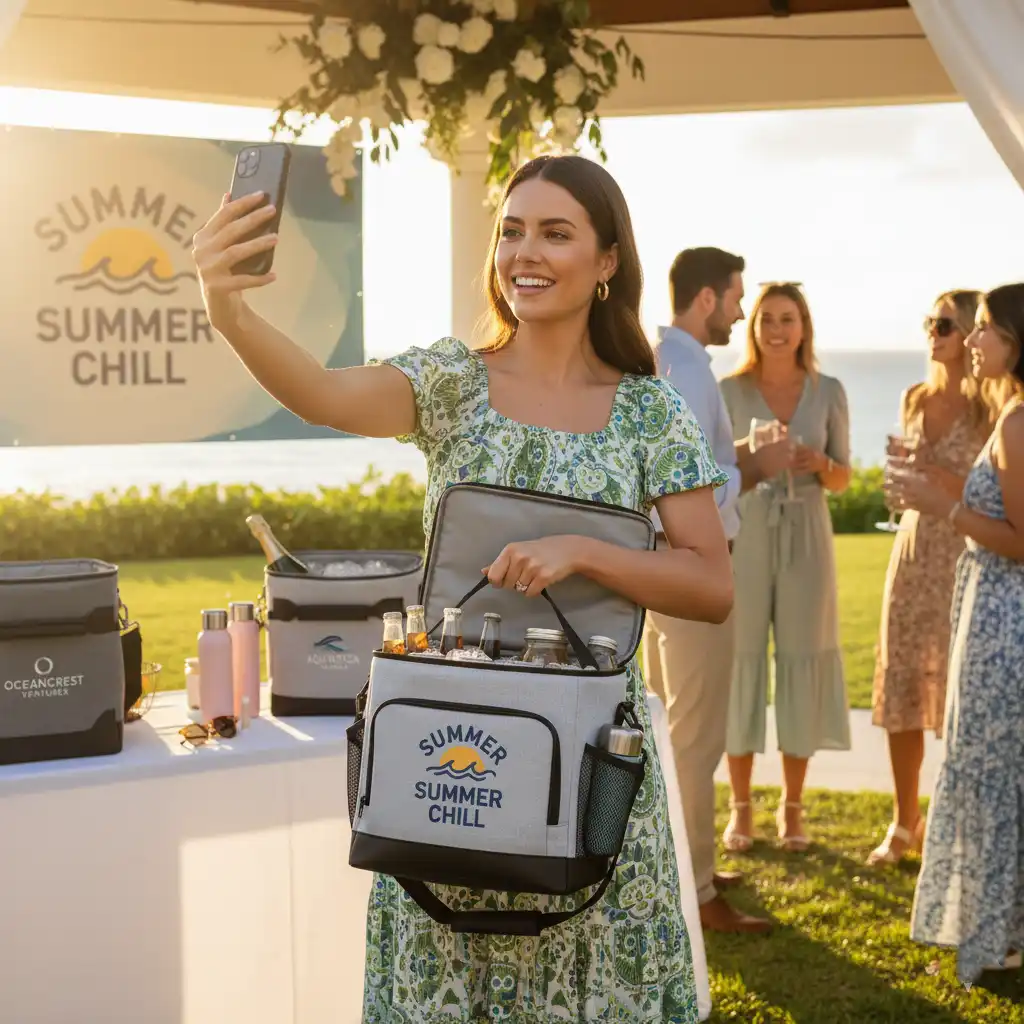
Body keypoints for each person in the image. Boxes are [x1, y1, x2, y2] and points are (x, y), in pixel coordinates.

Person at [191, 155, 734, 1022]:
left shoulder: (650, 412)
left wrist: (581, 551)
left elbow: (710, 582)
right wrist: (228, 310)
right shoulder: (452, 382)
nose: (525, 251)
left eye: (555, 233)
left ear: (606, 261)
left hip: (588, 770)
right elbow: (323, 395)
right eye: (511, 231)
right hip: (446, 764)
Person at [894, 283, 1024, 985]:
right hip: (996, 615)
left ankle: (1003, 941)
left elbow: (1022, 541)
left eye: (986, 329)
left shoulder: (1017, 423)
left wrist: (942, 505)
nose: (973, 339)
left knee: (994, 774)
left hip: (1006, 625)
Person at [644, 247, 771, 934]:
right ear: (705, 299)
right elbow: (683, 487)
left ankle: (685, 867)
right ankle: (695, 893)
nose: (741, 312)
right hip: (692, 573)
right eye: (736, 297)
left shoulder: (665, 359)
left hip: (665, 573)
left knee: (672, 732)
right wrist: (755, 466)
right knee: (695, 740)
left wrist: (736, 462)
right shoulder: (688, 370)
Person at [719, 282, 852, 853]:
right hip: (747, 532)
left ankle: (792, 808)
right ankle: (741, 808)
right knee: (742, 659)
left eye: (788, 319)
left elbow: (843, 477)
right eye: (767, 318)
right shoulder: (728, 391)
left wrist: (818, 462)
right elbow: (715, 469)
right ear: (753, 327)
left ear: (804, 327)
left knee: (803, 657)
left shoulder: (829, 390)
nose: (776, 329)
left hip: (808, 535)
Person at [868, 289, 989, 866]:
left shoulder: (994, 408)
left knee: (961, 690)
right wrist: (903, 480)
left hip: (966, 553)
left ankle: (957, 822)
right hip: (913, 553)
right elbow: (907, 477)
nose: (932, 334)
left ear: (971, 334)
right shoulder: (913, 397)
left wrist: (934, 475)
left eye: (944, 325)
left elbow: (998, 492)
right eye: (929, 323)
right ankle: (903, 820)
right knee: (904, 684)